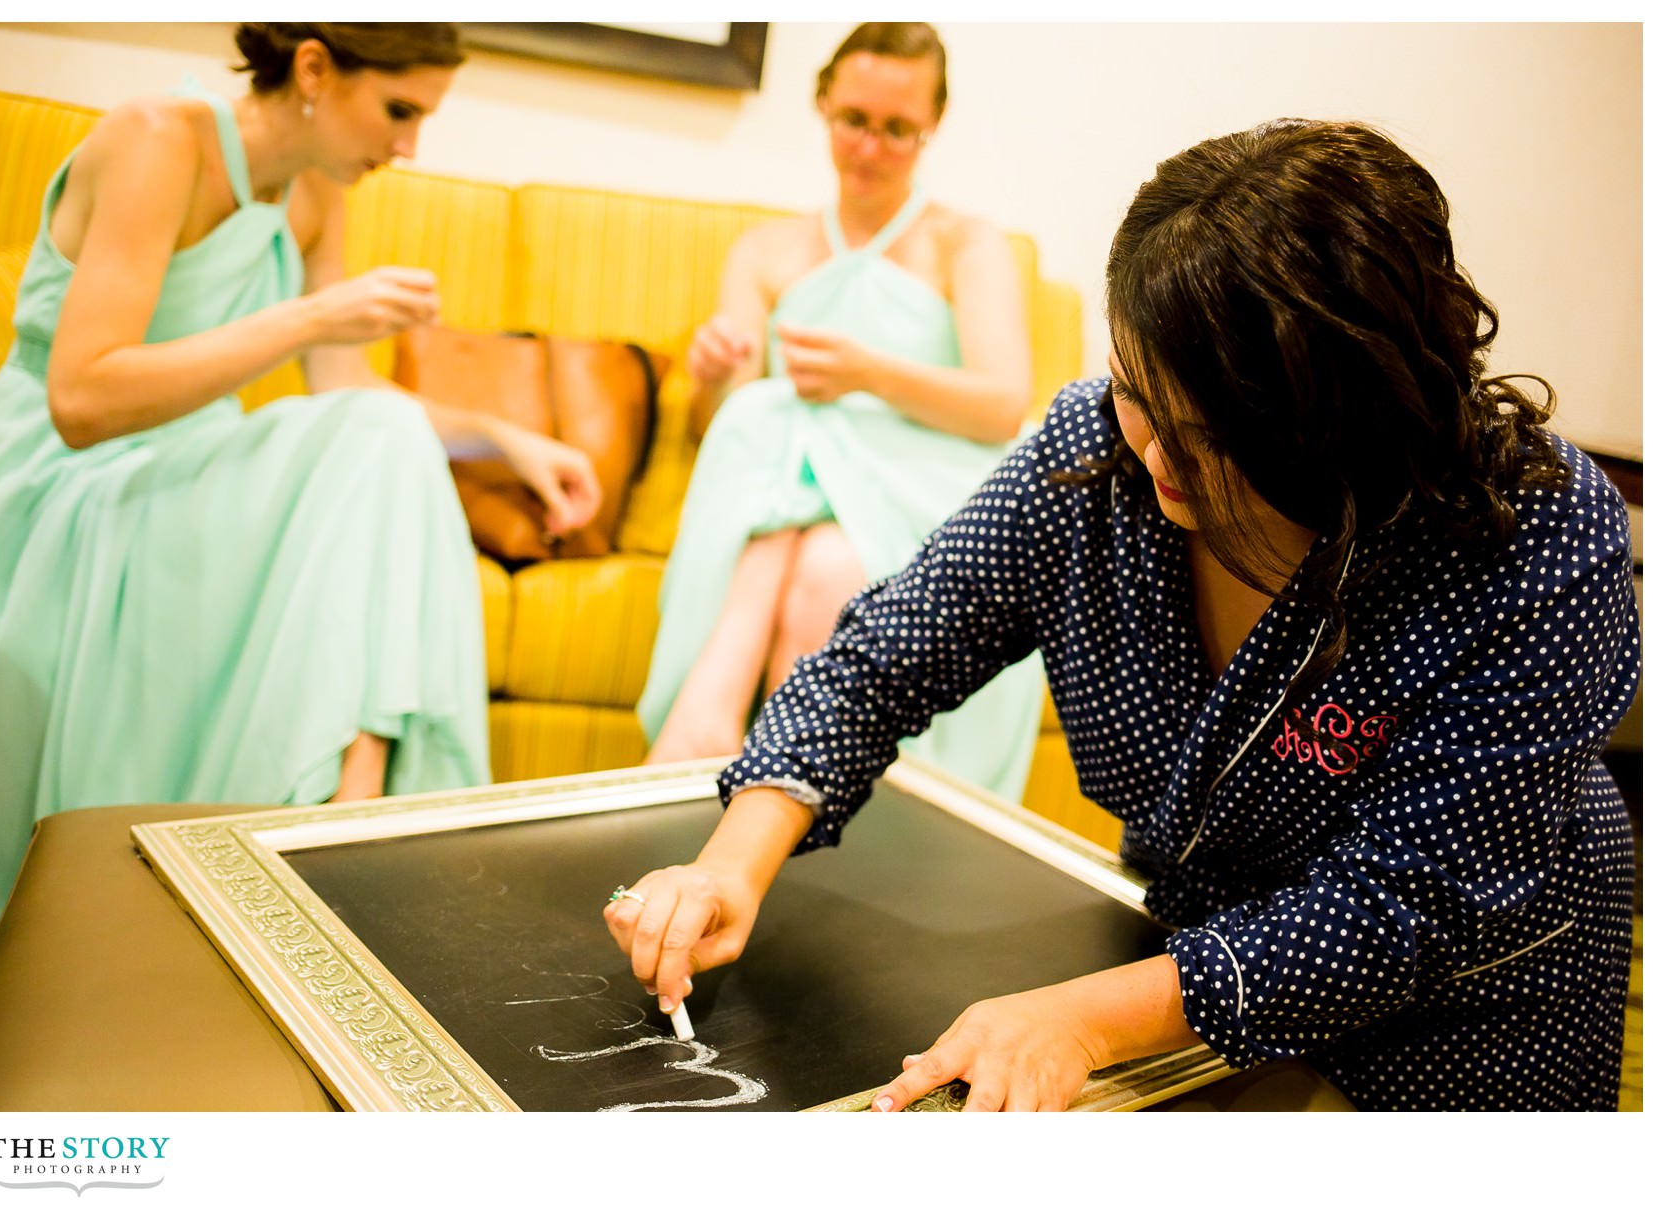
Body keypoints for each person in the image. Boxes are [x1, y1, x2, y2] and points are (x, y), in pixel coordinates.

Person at [605, 118, 1640, 1111]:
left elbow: (1405, 908)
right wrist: (731, 862)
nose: (1152, 460)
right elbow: (888, 650)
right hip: (1182, 985)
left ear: (1341, 422)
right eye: (1135, 392)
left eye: (1210, 436)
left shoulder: (1535, 539)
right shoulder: (1093, 452)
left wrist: (1087, 1022)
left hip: (1464, 1029)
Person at [0, 23, 601, 932]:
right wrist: (312, 315)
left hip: (179, 485)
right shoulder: (159, 141)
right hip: (62, 487)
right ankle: (350, 845)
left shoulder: (315, 188)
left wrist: (507, 440)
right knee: (372, 439)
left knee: (379, 433)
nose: (409, 147)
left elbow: (349, 388)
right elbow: (81, 399)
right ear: (314, 68)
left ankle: (346, 816)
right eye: (399, 112)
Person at [637, 22, 1045, 800]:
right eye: (855, 121)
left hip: (924, 488)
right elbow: (725, 430)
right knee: (769, 425)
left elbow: (1002, 406)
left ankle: (706, 727)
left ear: (933, 126)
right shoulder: (764, 250)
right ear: (823, 101)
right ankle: (779, 789)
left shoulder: (966, 244)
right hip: (790, 496)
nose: (871, 148)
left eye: (899, 131)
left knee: (818, 538)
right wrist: (712, 376)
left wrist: (867, 374)